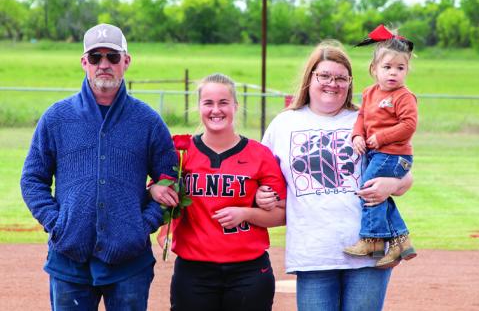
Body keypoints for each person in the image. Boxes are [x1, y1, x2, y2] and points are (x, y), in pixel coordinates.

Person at [20, 23, 177, 310]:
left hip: (129, 261)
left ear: (126, 62)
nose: (104, 64)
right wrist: (57, 225)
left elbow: (171, 178)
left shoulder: (148, 121)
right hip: (69, 259)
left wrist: (142, 226)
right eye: (95, 57)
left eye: (112, 57)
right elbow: (32, 179)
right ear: (84, 63)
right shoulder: (57, 118)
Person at [257, 40, 413, 311]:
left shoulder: (365, 118)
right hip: (312, 252)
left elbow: (404, 174)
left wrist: (392, 184)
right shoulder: (284, 124)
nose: (332, 83)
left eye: (341, 78)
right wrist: (263, 194)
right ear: (310, 78)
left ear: (350, 82)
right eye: (324, 76)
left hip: (368, 251)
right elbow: (264, 178)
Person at [149, 73, 287, 311]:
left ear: (235, 105)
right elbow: (156, 188)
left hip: (248, 270)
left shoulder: (259, 154)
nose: (216, 110)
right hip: (194, 270)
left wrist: (246, 214)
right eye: (208, 103)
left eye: (223, 102)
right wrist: (154, 191)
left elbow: (281, 214)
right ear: (198, 107)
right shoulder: (181, 153)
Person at [344, 24, 418, 268]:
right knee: (376, 193)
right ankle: (400, 241)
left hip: (394, 155)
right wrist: (357, 136)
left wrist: (382, 137)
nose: (393, 73)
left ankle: (372, 239)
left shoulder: (403, 96)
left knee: (368, 190)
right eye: (387, 67)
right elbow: (362, 118)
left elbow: (409, 125)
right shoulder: (369, 93)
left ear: (407, 70)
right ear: (373, 69)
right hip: (378, 153)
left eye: (400, 68)